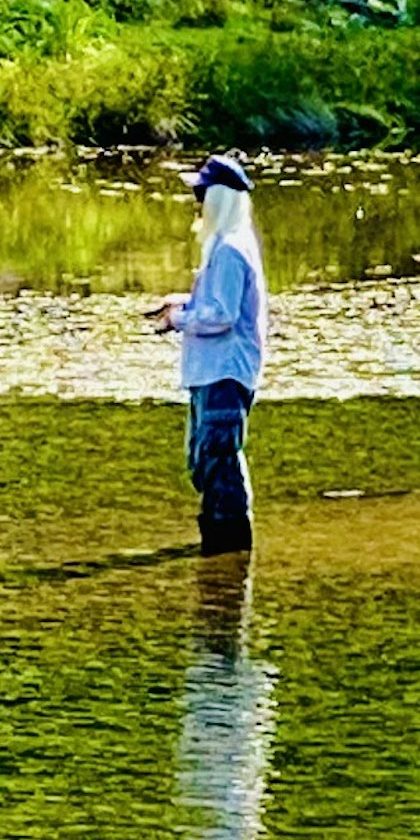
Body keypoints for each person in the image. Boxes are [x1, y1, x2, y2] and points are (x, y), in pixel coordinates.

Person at [155, 154, 267, 551]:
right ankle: (223, 554)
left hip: (224, 373)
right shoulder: (226, 246)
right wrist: (182, 303)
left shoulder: (230, 250)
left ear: (219, 199)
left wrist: (179, 319)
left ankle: (229, 547)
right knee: (204, 460)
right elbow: (217, 301)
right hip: (212, 373)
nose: (197, 203)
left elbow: (221, 315)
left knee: (220, 459)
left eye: (201, 194)